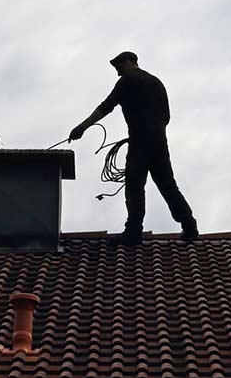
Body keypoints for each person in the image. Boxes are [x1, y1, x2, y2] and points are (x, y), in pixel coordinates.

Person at [69, 51, 198, 245]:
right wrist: (153, 130)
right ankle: (190, 226)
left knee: (134, 185)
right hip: (160, 141)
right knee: (168, 185)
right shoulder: (157, 82)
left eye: (119, 67)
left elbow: (106, 106)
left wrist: (82, 127)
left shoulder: (128, 80)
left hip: (140, 141)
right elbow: (167, 117)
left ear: (130, 62)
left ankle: (133, 232)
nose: (118, 73)